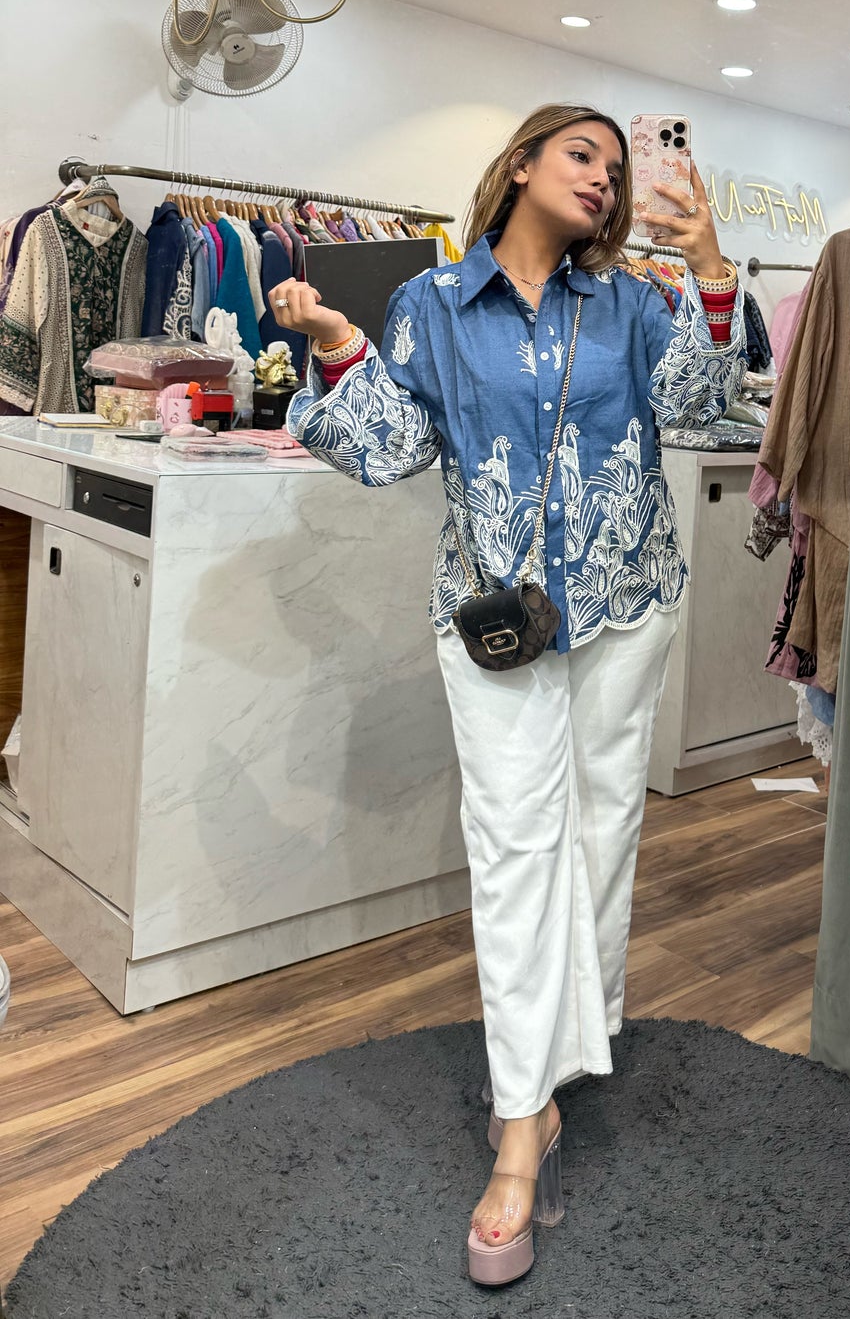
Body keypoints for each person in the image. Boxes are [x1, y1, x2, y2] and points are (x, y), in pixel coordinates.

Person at [270, 103, 743, 1286]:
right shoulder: (431, 304)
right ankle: (523, 1125)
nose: (603, 179)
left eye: (616, 169)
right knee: (515, 843)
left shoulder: (631, 302)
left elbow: (698, 412)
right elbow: (387, 447)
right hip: (494, 625)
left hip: (625, 604)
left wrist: (708, 270)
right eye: (582, 154)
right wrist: (333, 340)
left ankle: (547, 1068)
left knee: (599, 833)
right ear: (521, 163)